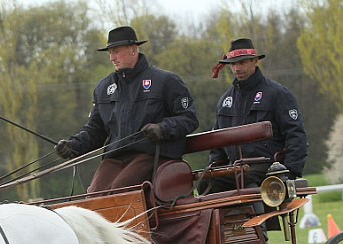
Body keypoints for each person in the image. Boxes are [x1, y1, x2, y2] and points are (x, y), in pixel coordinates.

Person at [54, 26, 199, 194]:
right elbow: (95, 130)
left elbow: (189, 119)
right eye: (109, 53)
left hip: (151, 155)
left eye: (116, 51)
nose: (112, 58)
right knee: (94, 196)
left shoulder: (166, 81)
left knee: (119, 193)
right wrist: (73, 145)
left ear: (133, 49)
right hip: (115, 159)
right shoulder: (103, 88)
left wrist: (162, 128)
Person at [206, 38, 307, 192]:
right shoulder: (225, 100)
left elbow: (296, 135)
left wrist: (290, 172)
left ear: (255, 61)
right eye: (233, 64)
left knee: (245, 180)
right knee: (206, 183)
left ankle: (262, 215)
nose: (236, 68)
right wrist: (215, 167)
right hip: (236, 169)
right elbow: (217, 143)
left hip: (269, 167)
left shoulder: (277, 94)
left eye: (242, 63)